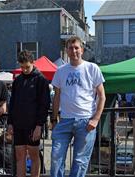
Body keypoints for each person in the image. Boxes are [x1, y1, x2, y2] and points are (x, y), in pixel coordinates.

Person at [50, 36, 106, 177]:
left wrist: (96, 119)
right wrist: (54, 119)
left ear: (82, 49)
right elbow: (56, 96)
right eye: (70, 48)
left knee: (80, 161)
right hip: (65, 120)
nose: (74, 50)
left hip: (86, 121)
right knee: (56, 157)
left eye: (76, 47)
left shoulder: (92, 68)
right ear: (66, 51)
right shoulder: (60, 71)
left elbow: (102, 96)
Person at [7, 50, 50, 177]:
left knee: (34, 156)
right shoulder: (17, 80)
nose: (24, 69)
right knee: (20, 156)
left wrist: (39, 125)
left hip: (33, 125)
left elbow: (44, 105)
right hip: (18, 124)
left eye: (27, 67)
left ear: (33, 63)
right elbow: (12, 103)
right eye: (22, 67)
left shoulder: (41, 79)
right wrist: (10, 123)